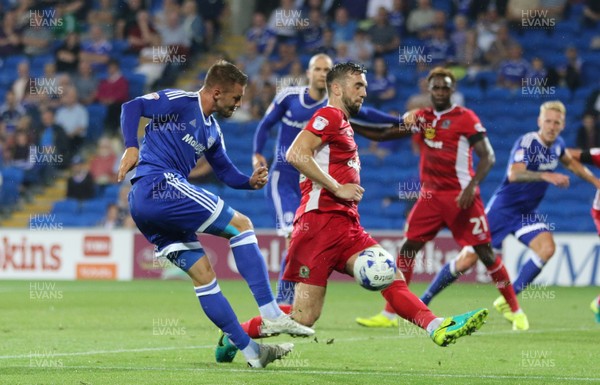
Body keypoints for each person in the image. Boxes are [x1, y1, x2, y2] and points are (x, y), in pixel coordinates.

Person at [216, 62, 488, 364]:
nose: (363, 93)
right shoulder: (328, 115)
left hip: (345, 225)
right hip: (320, 224)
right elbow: (295, 153)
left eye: (365, 88)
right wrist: (337, 187)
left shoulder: (344, 123)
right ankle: (235, 335)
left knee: (388, 274)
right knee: (303, 318)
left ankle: (437, 327)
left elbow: (381, 131)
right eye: (358, 86)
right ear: (337, 88)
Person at [116, 60, 314, 369]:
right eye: (236, 98)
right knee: (242, 225)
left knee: (204, 275)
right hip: (159, 183)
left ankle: (252, 353)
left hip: (145, 206)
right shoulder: (182, 102)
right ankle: (272, 314)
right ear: (217, 92)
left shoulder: (212, 131)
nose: (239, 104)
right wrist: (131, 146)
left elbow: (224, 171)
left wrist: (249, 182)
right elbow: (132, 106)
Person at [352, 66, 528, 331]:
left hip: (462, 198)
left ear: (452, 89)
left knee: (486, 253)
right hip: (430, 198)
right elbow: (384, 134)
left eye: (446, 87)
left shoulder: (465, 117)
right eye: (437, 87)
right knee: (408, 250)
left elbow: (488, 156)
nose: (441, 91)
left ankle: (515, 310)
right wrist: (348, 123)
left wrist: (472, 187)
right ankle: (389, 314)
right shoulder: (422, 118)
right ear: (429, 89)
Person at [417, 102, 600, 328]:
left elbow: (572, 165)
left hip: (525, 214)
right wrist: (545, 176)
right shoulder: (529, 142)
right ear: (539, 121)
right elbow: (514, 174)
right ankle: (423, 300)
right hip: (502, 210)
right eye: (548, 121)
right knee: (467, 259)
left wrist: (596, 183)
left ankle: (508, 299)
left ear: (562, 126)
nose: (552, 126)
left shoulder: (558, 145)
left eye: (557, 122)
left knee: (547, 248)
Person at [252, 54, 399, 305]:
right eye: (317, 69)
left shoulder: (335, 106)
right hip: (285, 180)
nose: (321, 73)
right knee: (293, 237)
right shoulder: (289, 97)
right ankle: (283, 301)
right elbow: (265, 125)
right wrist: (257, 154)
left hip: (314, 182)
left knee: (303, 240)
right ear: (309, 73)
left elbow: (370, 113)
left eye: (326, 69)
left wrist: (399, 121)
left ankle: (290, 305)